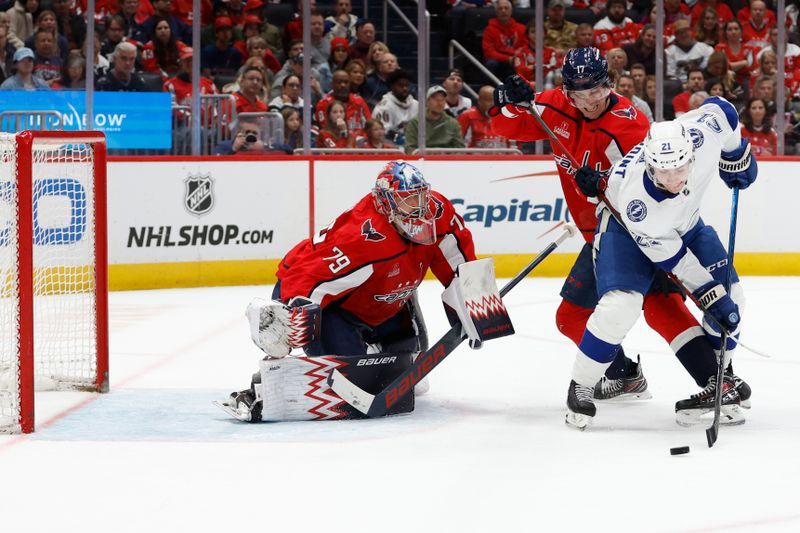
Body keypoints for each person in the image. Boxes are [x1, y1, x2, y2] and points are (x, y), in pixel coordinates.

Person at [491, 47, 751, 405]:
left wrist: (601, 184)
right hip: (599, 233)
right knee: (580, 316)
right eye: (580, 94)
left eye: (597, 90)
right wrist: (507, 101)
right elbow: (502, 125)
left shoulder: (629, 123)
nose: (590, 101)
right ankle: (630, 375)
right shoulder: (551, 106)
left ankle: (716, 380)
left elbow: (645, 194)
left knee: (658, 308)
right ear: (567, 91)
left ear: (608, 83)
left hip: (632, 230)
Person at [219, 161, 479, 422]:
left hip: (389, 300)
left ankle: (387, 338)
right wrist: (290, 316)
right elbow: (306, 275)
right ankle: (267, 386)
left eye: (420, 197)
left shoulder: (438, 210)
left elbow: (458, 262)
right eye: (407, 201)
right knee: (358, 381)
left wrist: (475, 304)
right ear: (385, 204)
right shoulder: (362, 237)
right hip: (337, 311)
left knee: (411, 380)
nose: (419, 208)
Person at [568, 98, 758, 428]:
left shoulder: (702, 135)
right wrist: (710, 293)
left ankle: (718, 381)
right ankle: (580, 388)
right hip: (626, 232)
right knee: (621, 307)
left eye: (680, 170)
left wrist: (735, 154)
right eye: (663, 173)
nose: (673, 180)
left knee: (734, 302)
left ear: (691, 155)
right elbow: (677, 263)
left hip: (688, 224)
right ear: (650, 164)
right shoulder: (639, 206)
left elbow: (724, 110)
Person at [404, 85, 465, 154]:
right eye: (435, 99)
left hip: (447, 162)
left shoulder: (453, 123)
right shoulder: (415, 123)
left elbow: (460, 149)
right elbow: (410, 148)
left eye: (442, 99)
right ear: (427, 102)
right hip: (423, 161)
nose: (439, 103)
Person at [371, 68, 417, 147]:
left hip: (414, 145)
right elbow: (382, 133)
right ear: (392, 87)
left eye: (406, 85)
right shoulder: (384, 107)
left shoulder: (417, 104)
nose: (405, 88)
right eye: (401, 86)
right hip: (391, 147)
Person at [482, 0, 526, 80]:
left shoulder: (522, 28)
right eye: (500, 8)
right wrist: (508, 58)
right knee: (491, 63)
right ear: (496, 12)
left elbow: (526, 47)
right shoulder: (489, 30)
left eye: (506, 8)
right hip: (499, 62)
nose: (503, 11)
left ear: (511, 11)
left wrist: (516, 57)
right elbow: (489, 52)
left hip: (517, 60)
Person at [458, 84, 509, 149]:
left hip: (502, 157)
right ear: (479, 101)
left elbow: (512, 145)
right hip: (474, 158)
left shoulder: (505, 117)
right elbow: (457, 143)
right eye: (488, 100)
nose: (492, 104)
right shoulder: (467, 116)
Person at [512, 18, 557, 87]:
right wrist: (536, 68)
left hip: (549, 84)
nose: (537, 34)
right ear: (527, 34)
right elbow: (521, 72)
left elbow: (555, 69)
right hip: (528, 86)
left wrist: (532, 67)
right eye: (533, 32)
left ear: (545, 34)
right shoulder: (520, 52)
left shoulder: (551, 51)